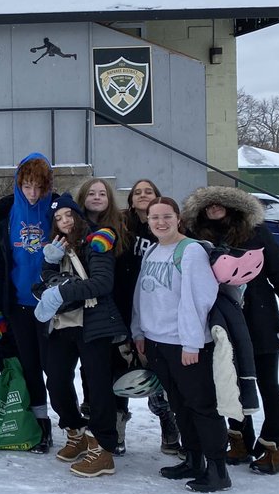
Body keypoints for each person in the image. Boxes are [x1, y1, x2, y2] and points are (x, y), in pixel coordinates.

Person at [182, 186, 279, 475]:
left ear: (233, 206)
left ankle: (276, 447)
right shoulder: (197, 238)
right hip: (222, 320)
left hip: (260, 319)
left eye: (219, 203)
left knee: (267, 383)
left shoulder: (255, 232)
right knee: (229, 381)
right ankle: (239, 439)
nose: (214, 208)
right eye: (208, 205)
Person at [131, 197, 226, 493]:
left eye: (166, 216)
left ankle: (218, 470)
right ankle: (193, 460)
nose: (160, 222)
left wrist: (191, 343)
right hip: (157, 341)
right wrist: (139, 331)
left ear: (178, 218)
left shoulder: (191, 250)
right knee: (179, 405)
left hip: (185, 344)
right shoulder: (153, 250)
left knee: (201, 406)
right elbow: (142, 295)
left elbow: (198, 300)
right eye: (154, 217)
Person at [33, 193, 127, 478]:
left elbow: (102, 283)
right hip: (63, 323)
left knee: (98, 386)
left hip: (92, 321)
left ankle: (104, 448)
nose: (64, 221)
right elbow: (48, 280)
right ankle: (76, 431)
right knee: (57, 380)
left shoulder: (95, 242)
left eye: (68, 215)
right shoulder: (56, 246)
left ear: (78, 215)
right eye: (58, 218)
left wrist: (62, 292)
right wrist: (49, 266)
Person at [0, 153, 56, 452]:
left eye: (39, 186)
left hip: (53, 306)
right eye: (27, 186)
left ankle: (73, 425)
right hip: (19, 305)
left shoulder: (58, 211)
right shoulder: (4, 216)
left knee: (57, 369)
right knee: (29, 367)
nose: (33, 193)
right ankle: (41, 424)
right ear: (18, 183)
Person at [114, 178, 181, 456]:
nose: (143, 195)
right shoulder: (120, 225)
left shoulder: (164, 227)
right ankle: (117, 427)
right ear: (130, 200)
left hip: (156, 309)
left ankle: (168, 423)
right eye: (137, 192)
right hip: (122, 305)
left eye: (149, 191)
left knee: (158, 370)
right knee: (120, 368)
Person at [76, 177, 133, 453]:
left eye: (102, 193)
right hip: (84, 308)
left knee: (116, 367)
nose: (97, 197)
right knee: (91, 371)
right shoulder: (75, 227)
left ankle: (116, 425)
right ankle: (92, 420)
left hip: (116, 305)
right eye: (91, 193)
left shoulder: (120, 227)